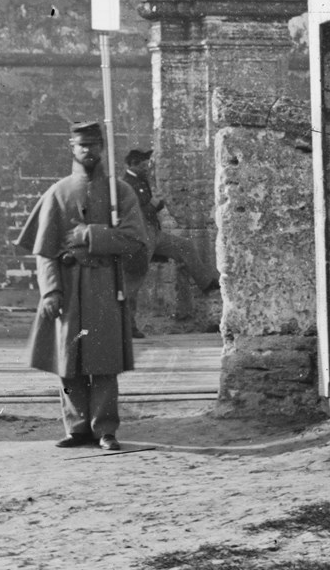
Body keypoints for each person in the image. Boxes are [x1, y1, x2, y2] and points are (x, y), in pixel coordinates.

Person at [15, 121, 148, 451]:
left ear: (103, 148)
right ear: (71, 148)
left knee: (104, 361)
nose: (88, 151)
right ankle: (76, 427)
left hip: (104, 283)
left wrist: (90, 235)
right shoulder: (59, 193)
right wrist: (50, 291)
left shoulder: (121, 192)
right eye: (82, 145)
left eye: (94, 145)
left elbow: (135, 240)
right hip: (69, 285)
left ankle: (105, 428)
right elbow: (44, 251)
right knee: (68, 360)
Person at [120, 148, 220, 338]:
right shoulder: (127, 184)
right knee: (134, 281)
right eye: (143, 164)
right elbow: (136, 211)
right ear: (133, 164)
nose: (147, 167)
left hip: (153, 232)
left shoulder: (140, 181)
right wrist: (155, 204)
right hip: (141, 235)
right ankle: (129, 326)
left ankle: (206, 283)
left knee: (185, 246)